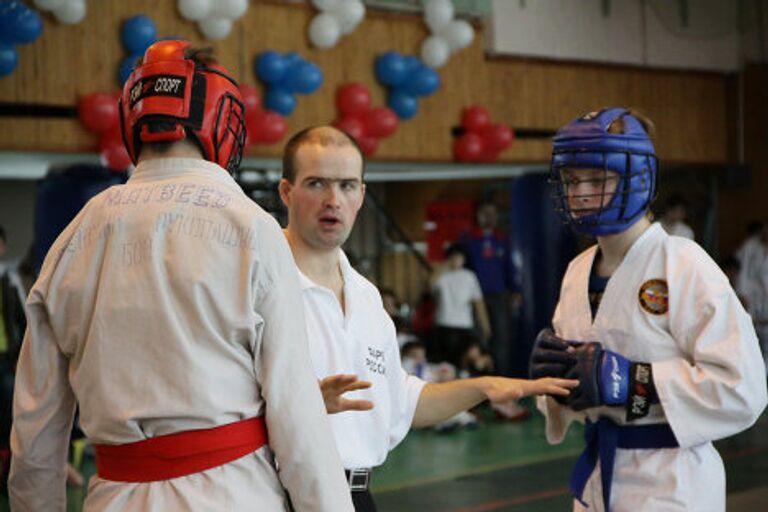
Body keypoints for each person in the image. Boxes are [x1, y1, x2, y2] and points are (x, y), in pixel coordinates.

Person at [9, 41, 352, 511]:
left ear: (135, 118)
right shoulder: (250, 225)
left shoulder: (75, 236)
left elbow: (35, 429)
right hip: (232, 496)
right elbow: (296, 413)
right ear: (221, 114)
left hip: (113, 497)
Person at [278, 125, 576, 512]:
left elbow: (402, 403)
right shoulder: (259, 288)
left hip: (355, 496)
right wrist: (302, 405)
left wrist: (483, 386)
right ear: (286, 191)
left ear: (362, 195)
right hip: (281, 494)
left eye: (348, 185)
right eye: (317, 183)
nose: (333, 199)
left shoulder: (366, 298)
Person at [530, 108, 768, 511]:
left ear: (637, 179)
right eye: (572, 180)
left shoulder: (683, 262)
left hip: (672, 482)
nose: (581, 193)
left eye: (597, 178)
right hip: (597, 482)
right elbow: (585, 393)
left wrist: (638, 380)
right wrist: (554, 386)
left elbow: (743, 388)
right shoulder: (576, 273)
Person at [458, 200, 520, 376]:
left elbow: (510, 266)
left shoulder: (502, 239)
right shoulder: (468, 239)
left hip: (499, 294)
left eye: (493, 214)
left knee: (501, 337)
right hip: (475, 297)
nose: (490, 217)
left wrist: (515, 290)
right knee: (479, 336)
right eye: (485, 213)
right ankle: (479, 377)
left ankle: (501, 376)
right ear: (478, 216)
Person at [431, 244, 490, 366]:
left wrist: (485, 324)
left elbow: (478, 302)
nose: (457, 260)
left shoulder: (470, 276)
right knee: (447, 361)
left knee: (464, 360)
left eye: (459, 257)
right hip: (445, 323)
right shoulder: (442, 275)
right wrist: (445, 266)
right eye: (453, 257)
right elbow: (430, 284)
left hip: (465, 324)